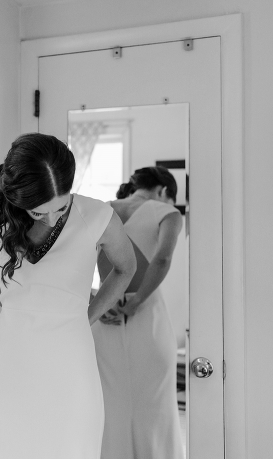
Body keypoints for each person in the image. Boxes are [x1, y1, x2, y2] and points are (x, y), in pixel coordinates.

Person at [0, 133, 136, 459]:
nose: (50, 218)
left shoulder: (98, 216)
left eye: (60, 208)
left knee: (71, 447)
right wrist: (13, 305)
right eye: (37, 213)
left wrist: (86, 315)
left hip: (71, 363)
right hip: (10, 361)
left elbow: (125, 268)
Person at [92, 166, 185, 459]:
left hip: (105, 309)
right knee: (155, 400)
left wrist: (100, 300)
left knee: (111, 399)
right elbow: (162, 259)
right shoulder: (168, 212)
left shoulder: (105, 210)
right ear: (165, 192)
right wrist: (137, 301)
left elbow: (86, 260)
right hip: (146, 311)